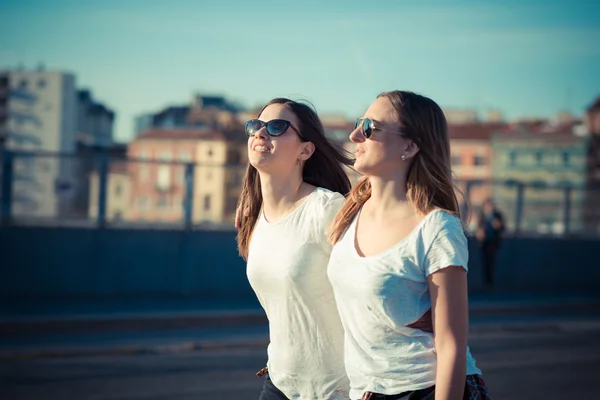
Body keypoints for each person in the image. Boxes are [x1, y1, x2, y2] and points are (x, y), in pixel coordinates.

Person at [327, 91, 490, 400]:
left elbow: (451, 345)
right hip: (366, 392)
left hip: (425, 390)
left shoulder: (436, 228)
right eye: (358, 123)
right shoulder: (348, 214)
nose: (354, 135)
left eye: (370, 127)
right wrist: (253, 201)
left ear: (410, 146)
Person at [236, 98, 353, 400]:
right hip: (280, 383)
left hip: (336, 389)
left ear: (306, 150)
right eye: (256, 126)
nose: (261, 133)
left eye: (277, 127)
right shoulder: (255, 219)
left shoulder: (326, 208)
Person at [475, 198, 505, 289]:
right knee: (485, 263)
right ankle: (486, 282)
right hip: (485, 243)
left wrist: (498, 226)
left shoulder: (497, 215)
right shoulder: (483, 215)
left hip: (493, 242)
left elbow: (502, 227)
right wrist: (479, 233)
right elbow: (479, 227)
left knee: (492, 262)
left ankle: (491, 283)